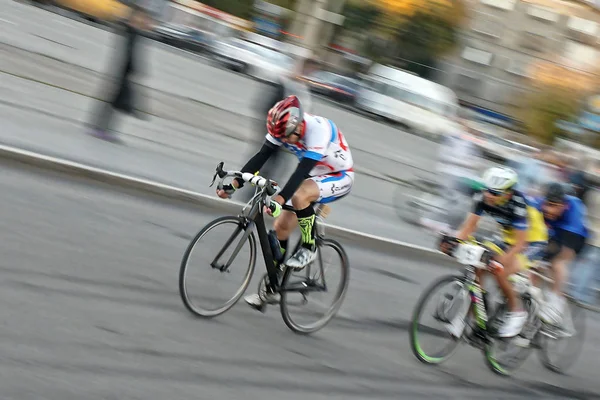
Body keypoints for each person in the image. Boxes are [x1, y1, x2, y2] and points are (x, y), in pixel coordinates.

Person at [216, 95, 354, 309]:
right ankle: (274, 289)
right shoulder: (283, 128)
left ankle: (309, 247)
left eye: (287, 137)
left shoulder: (317, 130)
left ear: (298, 126)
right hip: (314, 176)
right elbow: (262, 156)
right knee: (280, 227)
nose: (285, 142)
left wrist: (279, 199)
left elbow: (301, 173)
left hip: (339, 175)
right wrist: (235, 183)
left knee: (300, 195)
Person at [443, 167, 548, 338]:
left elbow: (521, 243)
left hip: (532, 242)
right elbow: (469, 226)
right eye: (487, 190)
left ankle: (517, 311)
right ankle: (472, 313)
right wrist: (454, 241)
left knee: (501, 271)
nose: (489, 195)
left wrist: (501, 262)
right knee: (477, 264)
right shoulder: (482, 197)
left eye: (495, 193)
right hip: (507, 238)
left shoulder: (518, 204)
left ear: (508, 193)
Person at [535, 183, 589, 324]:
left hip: (574, 236)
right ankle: (533, 298)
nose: (549, 209)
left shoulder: (574, 208)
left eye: (554, 206)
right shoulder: (539, 204)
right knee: (534, 264)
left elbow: (566, 250)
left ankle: (556, 299)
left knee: (558, 262)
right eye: (547, 204)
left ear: (564, 205)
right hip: (553, 233)